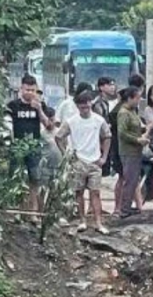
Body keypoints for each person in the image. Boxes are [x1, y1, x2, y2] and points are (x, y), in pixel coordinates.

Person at [55, 91, 112, 234]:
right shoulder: (72, 121)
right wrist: (66, 155)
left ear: (90, 104)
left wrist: (104, 157)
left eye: (87, 105)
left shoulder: (99, 120)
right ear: (77, 106)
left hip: (95, 161)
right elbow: (59, 136)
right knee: (78, 192)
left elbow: (107, 136)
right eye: (82, 106)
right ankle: (82, 220)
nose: (85, 108)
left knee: (95, 192)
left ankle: (98, 222)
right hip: (78, 160)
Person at [5, 74, 56, 222]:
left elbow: (50, 126)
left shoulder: (40, 105)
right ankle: (16, 211)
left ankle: (33, 213)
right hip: (17, 147)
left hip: (34, 146)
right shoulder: (13, 105)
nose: (30, 93)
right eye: (27, 89)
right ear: (21, 89)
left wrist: (39, 110)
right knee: (16, 179)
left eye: (33, 90)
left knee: (35, 179)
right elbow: (6, 125)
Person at [116, 86, 150, 218]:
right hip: (128, 151)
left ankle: (127, 206)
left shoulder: (133, 111)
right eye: (137, 98)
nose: (138, 101)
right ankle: (124, 209)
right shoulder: (124, 113)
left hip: (135, 151)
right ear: (130, 98)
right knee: (129, 180)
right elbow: (122, 132)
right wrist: (137, 140)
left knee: (134, 179)